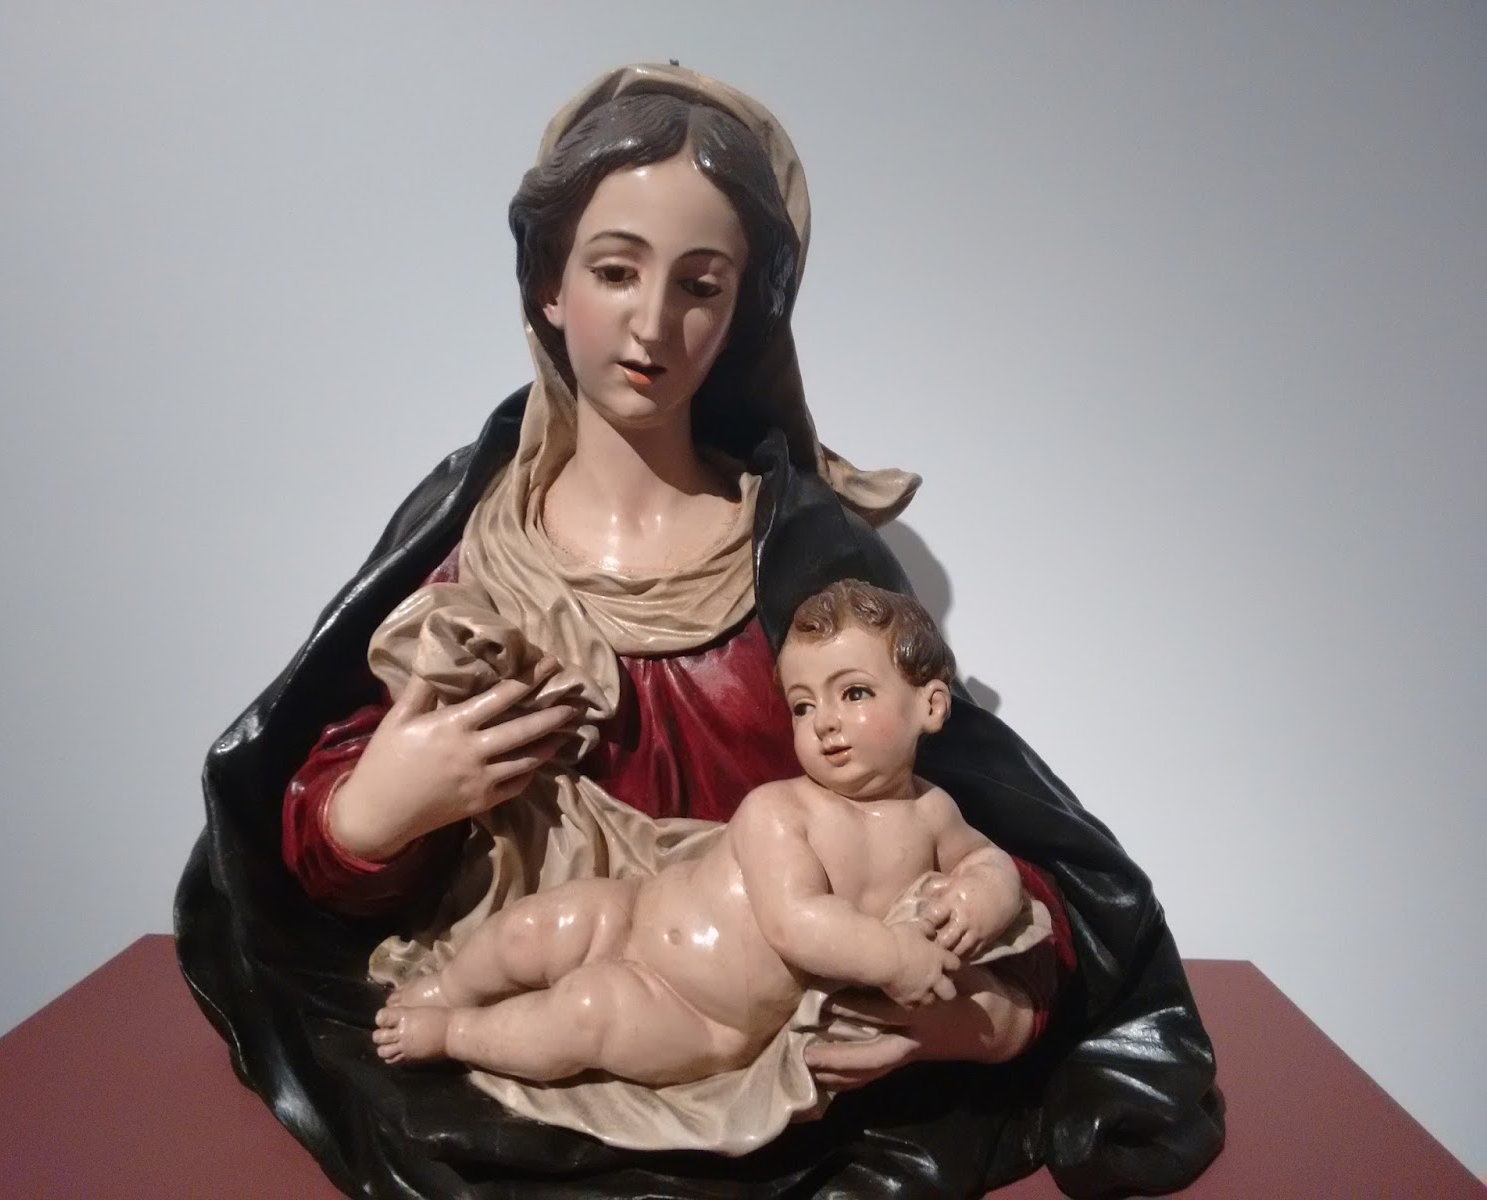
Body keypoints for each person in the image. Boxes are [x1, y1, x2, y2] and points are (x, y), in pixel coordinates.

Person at [176, 63, 1223, 1198]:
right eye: (614, 270)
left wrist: (974, 1021)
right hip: (523, 974)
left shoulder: (801, 563)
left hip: (734, 1018)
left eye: (700, 285)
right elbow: (302, 877)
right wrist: (378, 810)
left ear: (740, 314)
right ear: (548, 285)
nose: (651, 323)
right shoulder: (468, 560)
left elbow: (989, 837)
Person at [369, 580, 1047, 1105]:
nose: (825, 723)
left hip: (701, 1015)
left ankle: (455, 1034)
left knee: (584, 1014)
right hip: (635, 915)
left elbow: (986, 861)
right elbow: (795, 920)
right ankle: (447, 988)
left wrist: (984, 898)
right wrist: (894, 956)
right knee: (535, 927)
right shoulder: (780, 809)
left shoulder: (934, 813)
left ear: (930, 706)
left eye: (854, 693)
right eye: (804, 704)